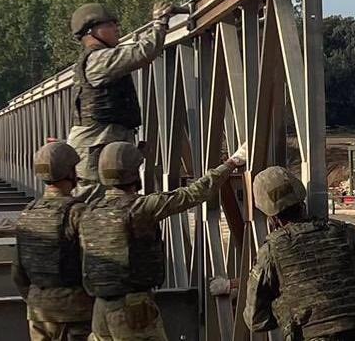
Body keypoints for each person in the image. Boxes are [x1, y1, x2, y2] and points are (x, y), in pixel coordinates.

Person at [79, 141, 244, 341]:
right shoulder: (140, 208)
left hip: (100, 308)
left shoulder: (89, 211)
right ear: (133, 175)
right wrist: (230, 164)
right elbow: (193, 194)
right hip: (134, 308)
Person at [244, 166, 355, 341]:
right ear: (303, 205)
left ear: (272, 219)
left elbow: (256, 319)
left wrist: (289, 310)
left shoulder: (271, 251)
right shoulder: (348, 233)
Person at [67, 1, 177, 199]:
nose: (117, 29)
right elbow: (142, 52)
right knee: (92, 201)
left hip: (102, 142)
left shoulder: (101, 57)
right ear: (91, 32)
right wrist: (160, 22)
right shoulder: (98, 60)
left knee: (113, 201)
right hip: (96, 144)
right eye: (109, 25)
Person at [13, 140, 92, 341]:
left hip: (39, 310)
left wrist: (35, 298)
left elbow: (18, 272)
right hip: (75, 310)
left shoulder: (27, 212)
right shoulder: (78, 212)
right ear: (70, 172)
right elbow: (93, 265)